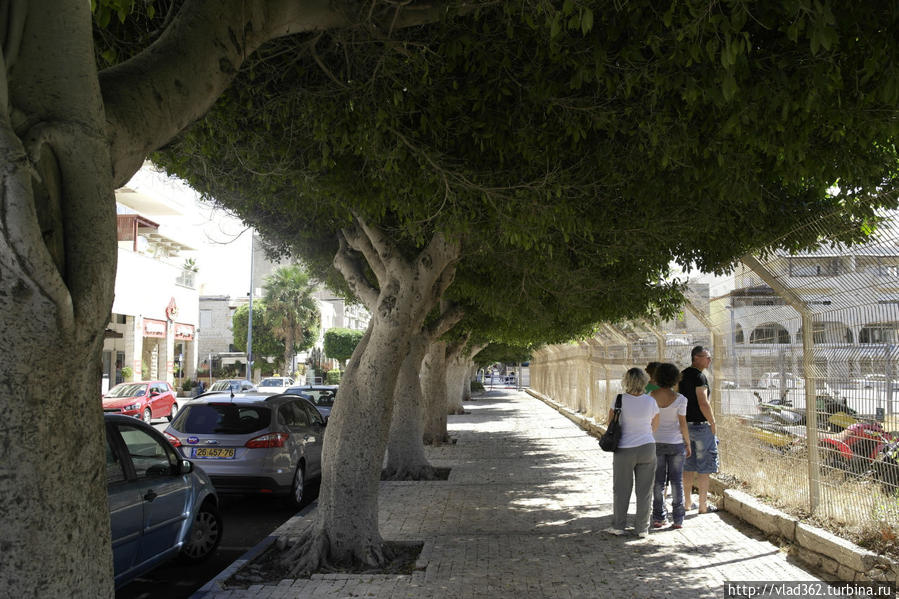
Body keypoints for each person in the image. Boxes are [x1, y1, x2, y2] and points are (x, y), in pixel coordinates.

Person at [605, 367, 659, 537]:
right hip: (647, 447)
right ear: (644, 381)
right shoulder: (650, 401)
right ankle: (642, 528)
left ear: (626, 381)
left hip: (624, 449)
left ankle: (619, 526)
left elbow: (610, 424)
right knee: (645, 490)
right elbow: (654, 425)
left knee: (621, 489)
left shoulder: (619, 400)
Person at [650, 363, 691, 529]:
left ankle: (658, 517)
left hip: (655, 442)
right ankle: (678, 518)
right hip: (675, 444)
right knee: (676, 481)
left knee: (658, 482)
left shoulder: (650, 396)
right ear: (675, 379)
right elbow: (683, 424)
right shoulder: (681, 399)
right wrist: (687, 443)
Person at [679, 345, 719, 514]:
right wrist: (712, 422)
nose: (709, 360)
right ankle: (703, 505)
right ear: (696, 357)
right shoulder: (699, 377)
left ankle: (687, 502)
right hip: (701, 426)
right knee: (704, 468)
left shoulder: (682, 375)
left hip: (685, 426)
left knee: (688, 466)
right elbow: (703, 402)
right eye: (706, 357)